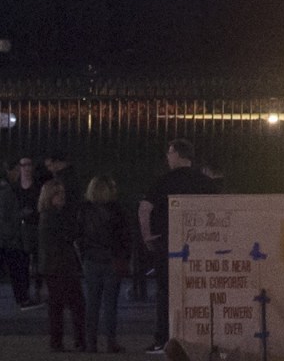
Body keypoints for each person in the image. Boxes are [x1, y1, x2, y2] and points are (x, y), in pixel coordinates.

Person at [140, 139, 216, 352]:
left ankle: (163, 339)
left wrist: (148, 237)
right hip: (201, 245)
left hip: (167, 244)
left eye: (170, 152)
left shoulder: (163, 181)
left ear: (178, 155)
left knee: (165, 293)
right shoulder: (205, 182)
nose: (167, 156)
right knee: (199, 291)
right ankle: (199, 337)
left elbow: (145, 208)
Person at [80, 176, 133, 354]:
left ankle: (91, 343)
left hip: (91, 260)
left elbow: (78, 234)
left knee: (92, 304)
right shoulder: (117, 210)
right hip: (112, 260)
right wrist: (125, 257)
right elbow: (125, 237)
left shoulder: (85, 210)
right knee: (110, 305)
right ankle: (111, 342)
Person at [0, 159, 35, 311]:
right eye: (17, 170)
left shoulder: (2, 187)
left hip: (2, 236)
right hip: (6, 237)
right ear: (10, 171)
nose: (18, 174)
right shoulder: (5, 189)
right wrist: (22, 213)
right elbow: (6, 215)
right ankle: (21, 299)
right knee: (11, 268)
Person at [37, 180, 87, 352]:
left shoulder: (48, 215)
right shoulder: (54, 217)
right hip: (61, 266)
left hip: (54, 266)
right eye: (58, 194)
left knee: (59, 306)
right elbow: (69, 235)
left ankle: (58, 341)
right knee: (75, 304)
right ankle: (75, 340)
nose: (62, 197)